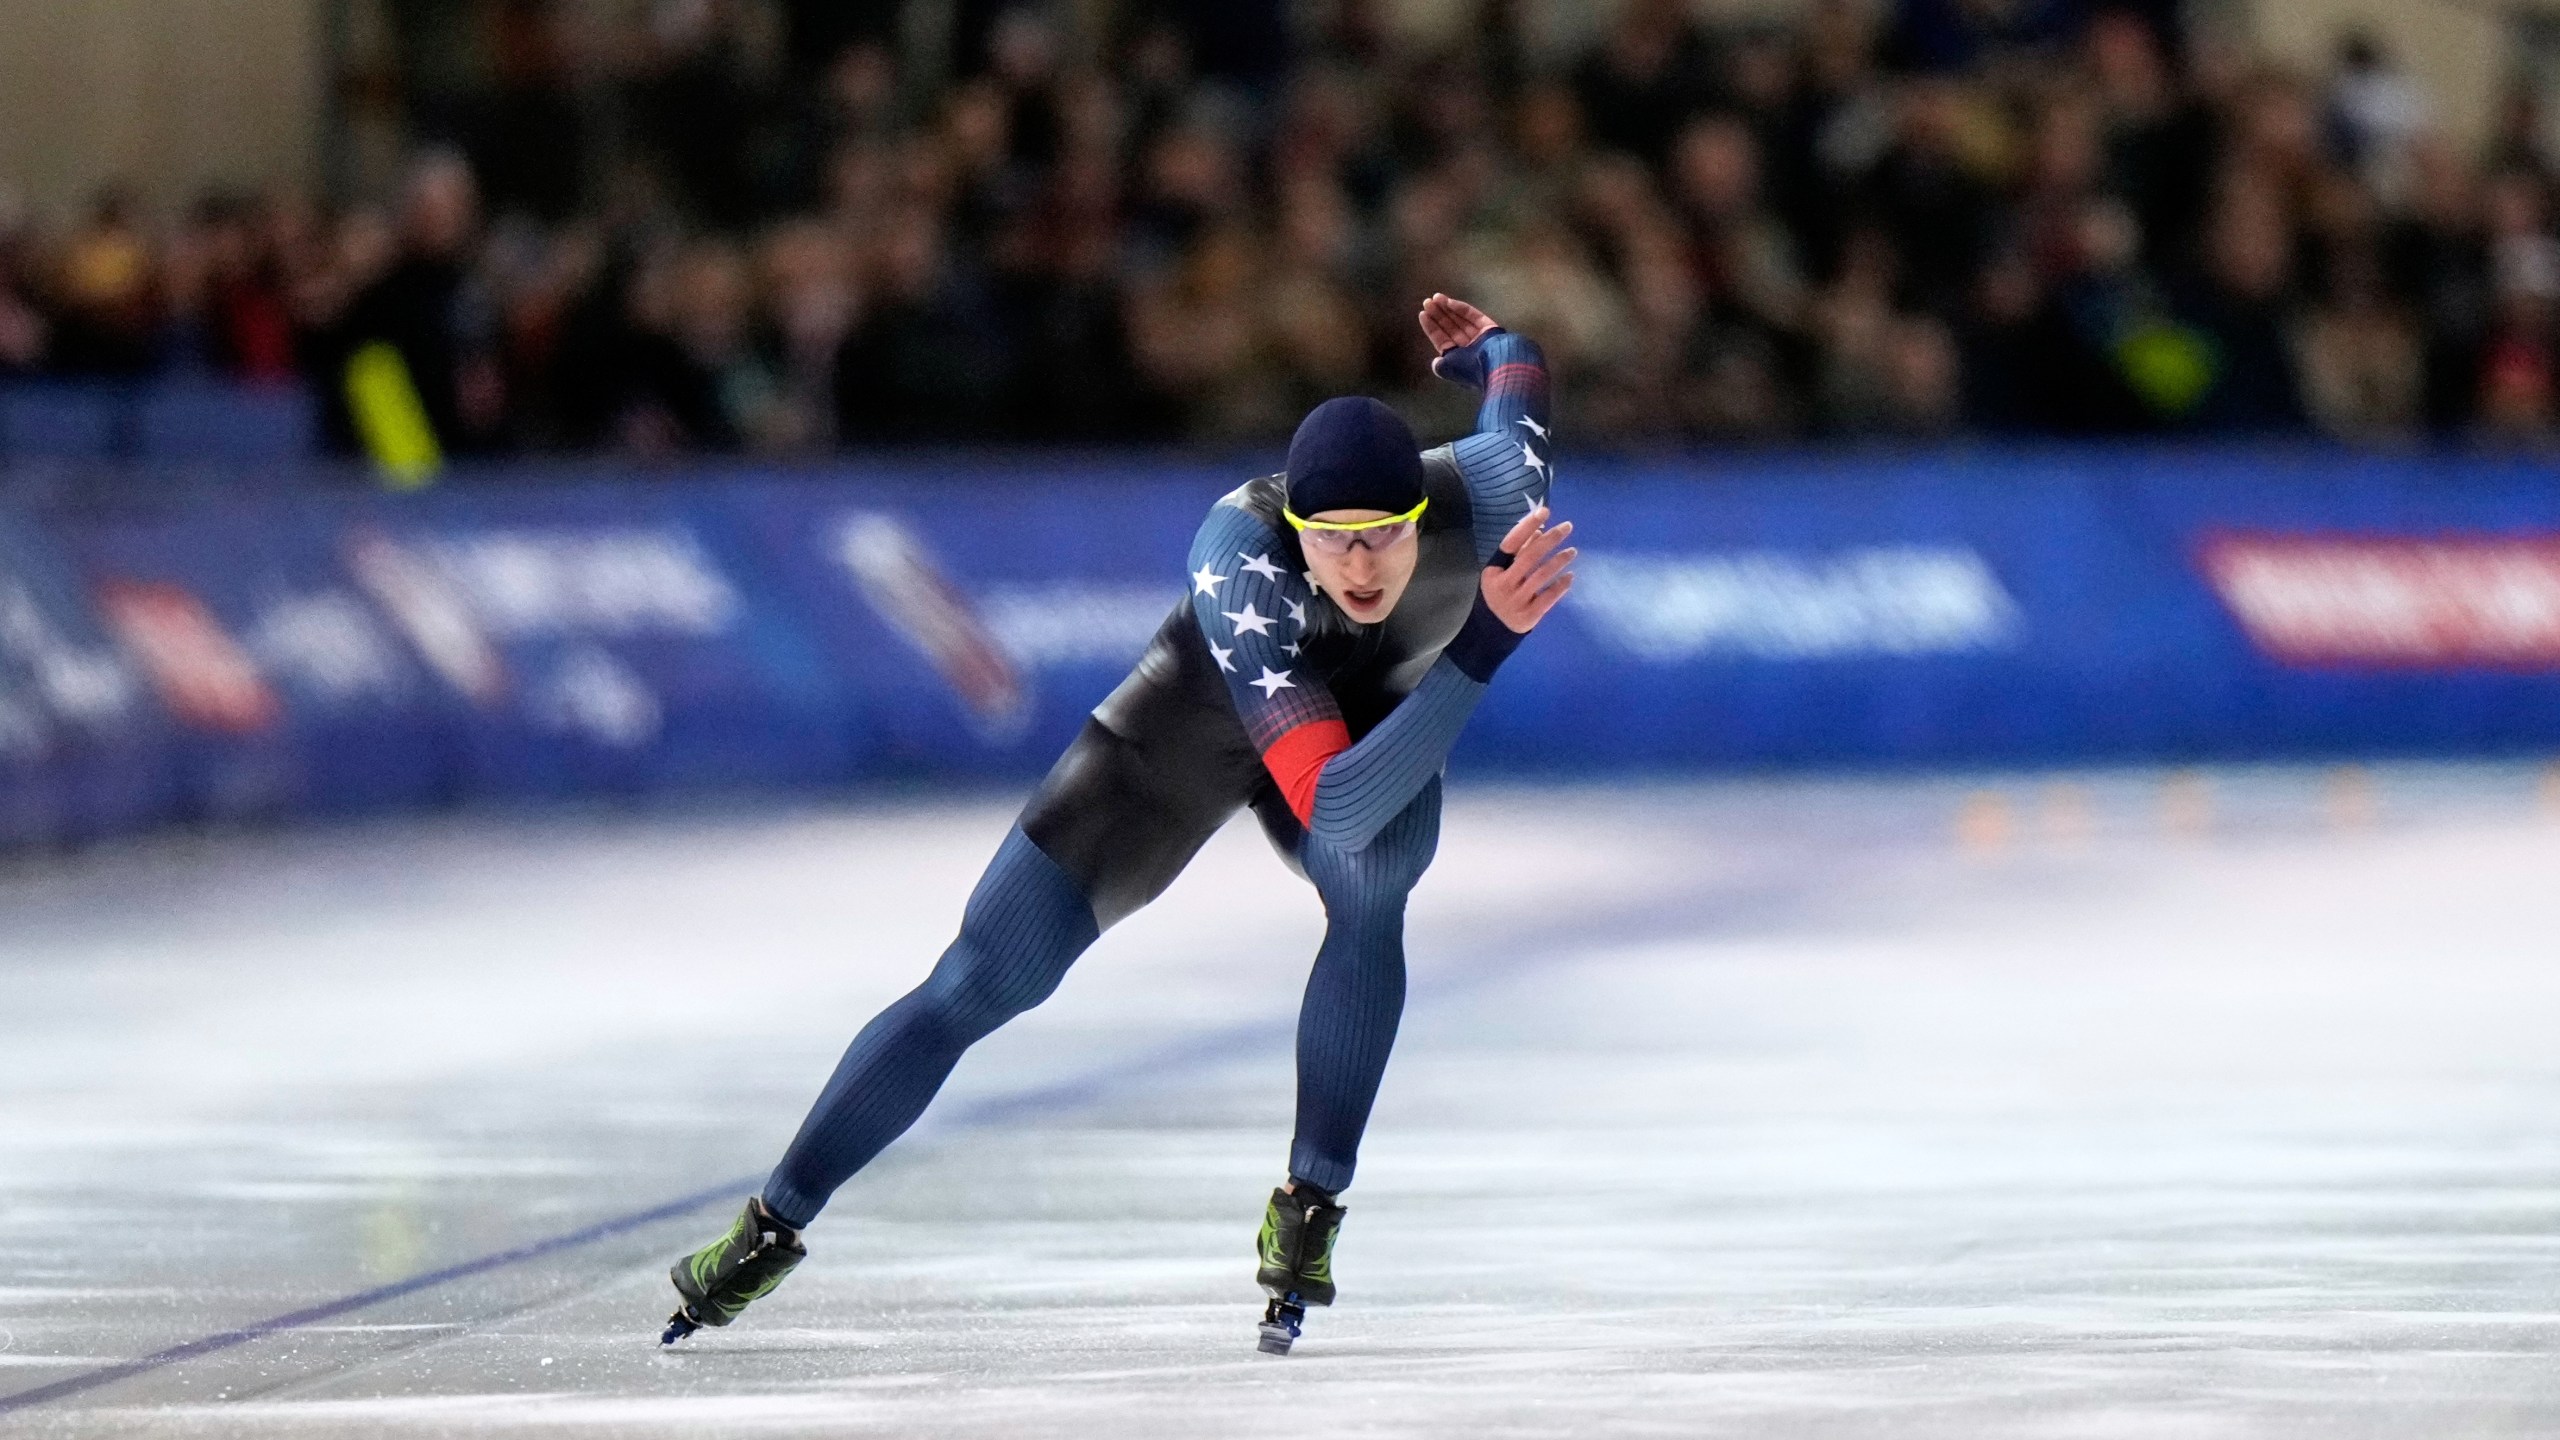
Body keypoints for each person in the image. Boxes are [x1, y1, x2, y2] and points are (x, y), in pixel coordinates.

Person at [661, 294, 1576, 1354]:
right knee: (984, 976)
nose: (1361, 569)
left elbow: (1520, 374)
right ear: (1297, 531)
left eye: (1383, 537)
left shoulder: (1499, 494)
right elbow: (1331, 800)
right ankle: (771, 1224)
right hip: (1189, 733)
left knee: (1378, 880)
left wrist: (1485, 350)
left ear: (1425, 512)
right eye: (1334, 543)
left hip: (1365, 727)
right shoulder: (1242, 557)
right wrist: (1482, 647)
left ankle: (1310, 1205)